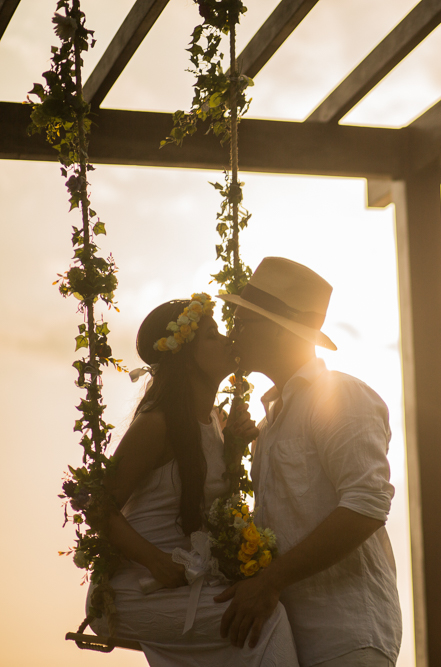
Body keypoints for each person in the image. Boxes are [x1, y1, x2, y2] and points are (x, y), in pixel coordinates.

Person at [87, 295, 298, 666]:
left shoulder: (214, 422)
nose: (227, 340)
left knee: (257, 611)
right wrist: (155, 561)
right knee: (265, 621)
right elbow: (98, 506)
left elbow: (208, 508)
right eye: (213, 336)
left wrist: (233, 451)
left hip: (187, 585)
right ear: (186, 356)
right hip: (132, 591)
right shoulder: (156, 424)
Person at [214, 257, 402, 667]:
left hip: (346, 635)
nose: (235, 333)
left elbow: (367, 506)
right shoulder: (271, 422)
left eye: (245, 322)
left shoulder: (342, 397)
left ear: (281, 333)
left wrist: (271, 580)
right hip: (293, 638)